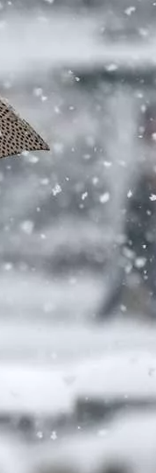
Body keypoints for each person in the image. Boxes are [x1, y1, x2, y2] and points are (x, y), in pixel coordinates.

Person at [96, 104, 156, 321]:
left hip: (144, 219)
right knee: (132, 263)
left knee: (140, 264)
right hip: (141, 219)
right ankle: (107, 313)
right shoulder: (140, 151)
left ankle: (108, 313)